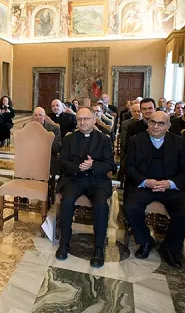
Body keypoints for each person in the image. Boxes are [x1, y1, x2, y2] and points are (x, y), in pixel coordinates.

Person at [124, 111, 185, 268]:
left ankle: (170, 247)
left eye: (160, 123)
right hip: (145, 186)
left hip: (170, 188)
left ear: (168, 126)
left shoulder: (180, 142)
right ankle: (146, 241)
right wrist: (144, 181)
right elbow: (129, 166)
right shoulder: (136, 140)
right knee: (130, 208)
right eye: (152, 122)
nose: (155, 126)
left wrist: (170, 183)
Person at [57, 107, 116, 268]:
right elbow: (62, 163)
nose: (83, 122)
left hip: (97, 181)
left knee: (100, 205)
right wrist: (78, 168)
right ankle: (64, 242)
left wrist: (93, 165)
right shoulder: (69, 139)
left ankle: (98, 248)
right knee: (67, 201)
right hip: (75, 179)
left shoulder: (104, 139)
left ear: (94, 119)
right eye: (79, 119)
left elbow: (111, 165)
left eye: (86, 119)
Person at [30, 107, 62, 176]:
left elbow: (57, 147)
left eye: (40, 115)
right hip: (31, 156)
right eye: (35, 115)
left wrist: (41, 146)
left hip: (48, 157)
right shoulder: (26, 128)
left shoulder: (54, 129)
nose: (37, 117)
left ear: (44, 117)